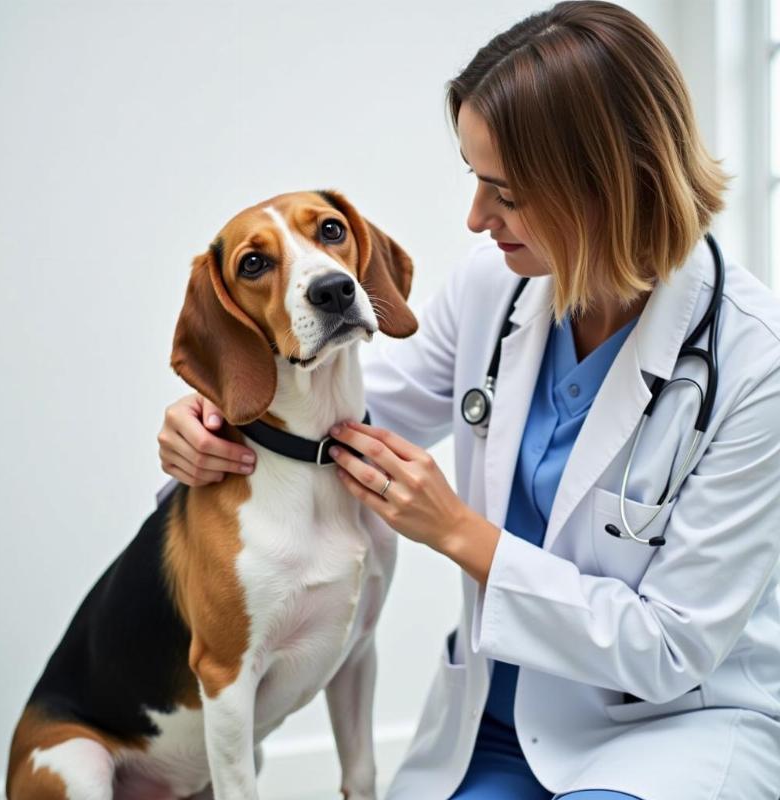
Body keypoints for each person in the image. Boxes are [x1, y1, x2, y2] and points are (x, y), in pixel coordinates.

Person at [156, 2, 780, 798]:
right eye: (475, 178)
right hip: (497, 720)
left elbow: (670, 647)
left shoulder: (755, 362)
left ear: (605, 190)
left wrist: (458, 532)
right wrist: (205, 428)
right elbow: (341, 420)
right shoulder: (498, 289)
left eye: (505, 193)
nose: (476, 217)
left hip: (670, 728)